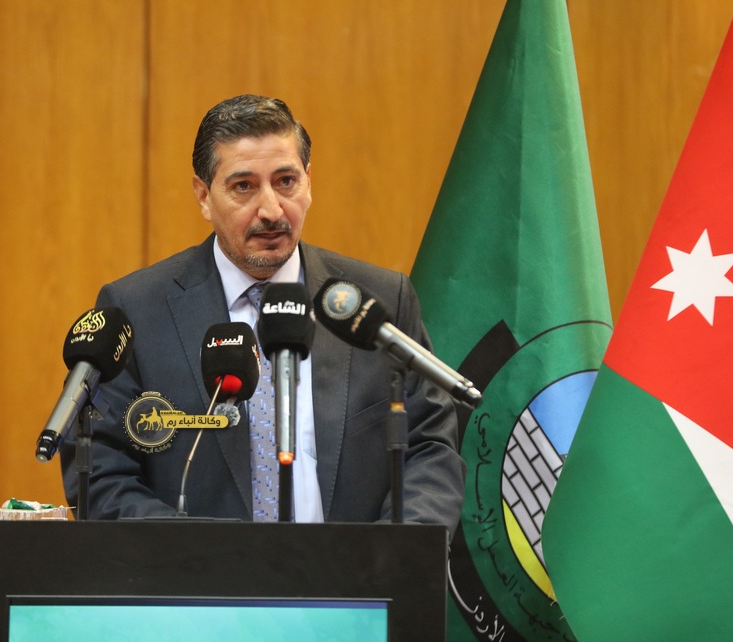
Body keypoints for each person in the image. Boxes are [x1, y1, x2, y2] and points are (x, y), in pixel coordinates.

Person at [61, 94, 465, 537]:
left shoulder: (377, 302)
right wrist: (199, 559)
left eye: (286, 181)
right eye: (244, 187)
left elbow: (430, 448)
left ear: (309, 182)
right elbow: (102, 473)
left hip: (359, 576)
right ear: (204, 196)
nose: (271, 210)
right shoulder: (138, 310)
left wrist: (388, 558)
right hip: (199, 577)